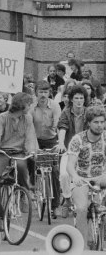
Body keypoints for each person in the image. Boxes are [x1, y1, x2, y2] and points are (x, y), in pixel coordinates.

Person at [0, 92, 38, 226]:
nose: (30, 107)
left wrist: (32, 150)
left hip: (19, 152)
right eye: (28, 104)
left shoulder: (28, 118)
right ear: (21, 106)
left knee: (22, 167)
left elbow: (30, 136)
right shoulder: (2, 118)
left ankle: (24, 194)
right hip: (2, 152)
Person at [66, 105, 106, 249]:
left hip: (102, 178)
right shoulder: (78, 139)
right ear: (88, 123)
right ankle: (81, 246)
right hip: (82, 180)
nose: (100, 125)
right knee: (82, 208)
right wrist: (75, 176)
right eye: (96, 122)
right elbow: (70, 164)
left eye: (102, 122)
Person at [30, 80, 63, 217]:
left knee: (54, 171)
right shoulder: (32, 107)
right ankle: (31, 189)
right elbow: (29, 127)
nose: (43, 95)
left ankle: (55, 205)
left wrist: (55, 126)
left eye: (45, 92)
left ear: (49, 93)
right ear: (36, 93)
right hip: (35, 139)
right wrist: (34, 147)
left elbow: (58, 122)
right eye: (40, 92)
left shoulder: (55, 106)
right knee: (31, 162)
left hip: (51, 140)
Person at [57, 85, 90, 218]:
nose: (79, 100)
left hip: (86, 150)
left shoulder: (88, 113)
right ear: (71, 99)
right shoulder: (66, 112)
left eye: (81, 98)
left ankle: (90, 202)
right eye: (76, 98)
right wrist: (60, 143)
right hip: (69, 149)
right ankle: (66, 199)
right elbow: (62, 128)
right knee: (64, 175)